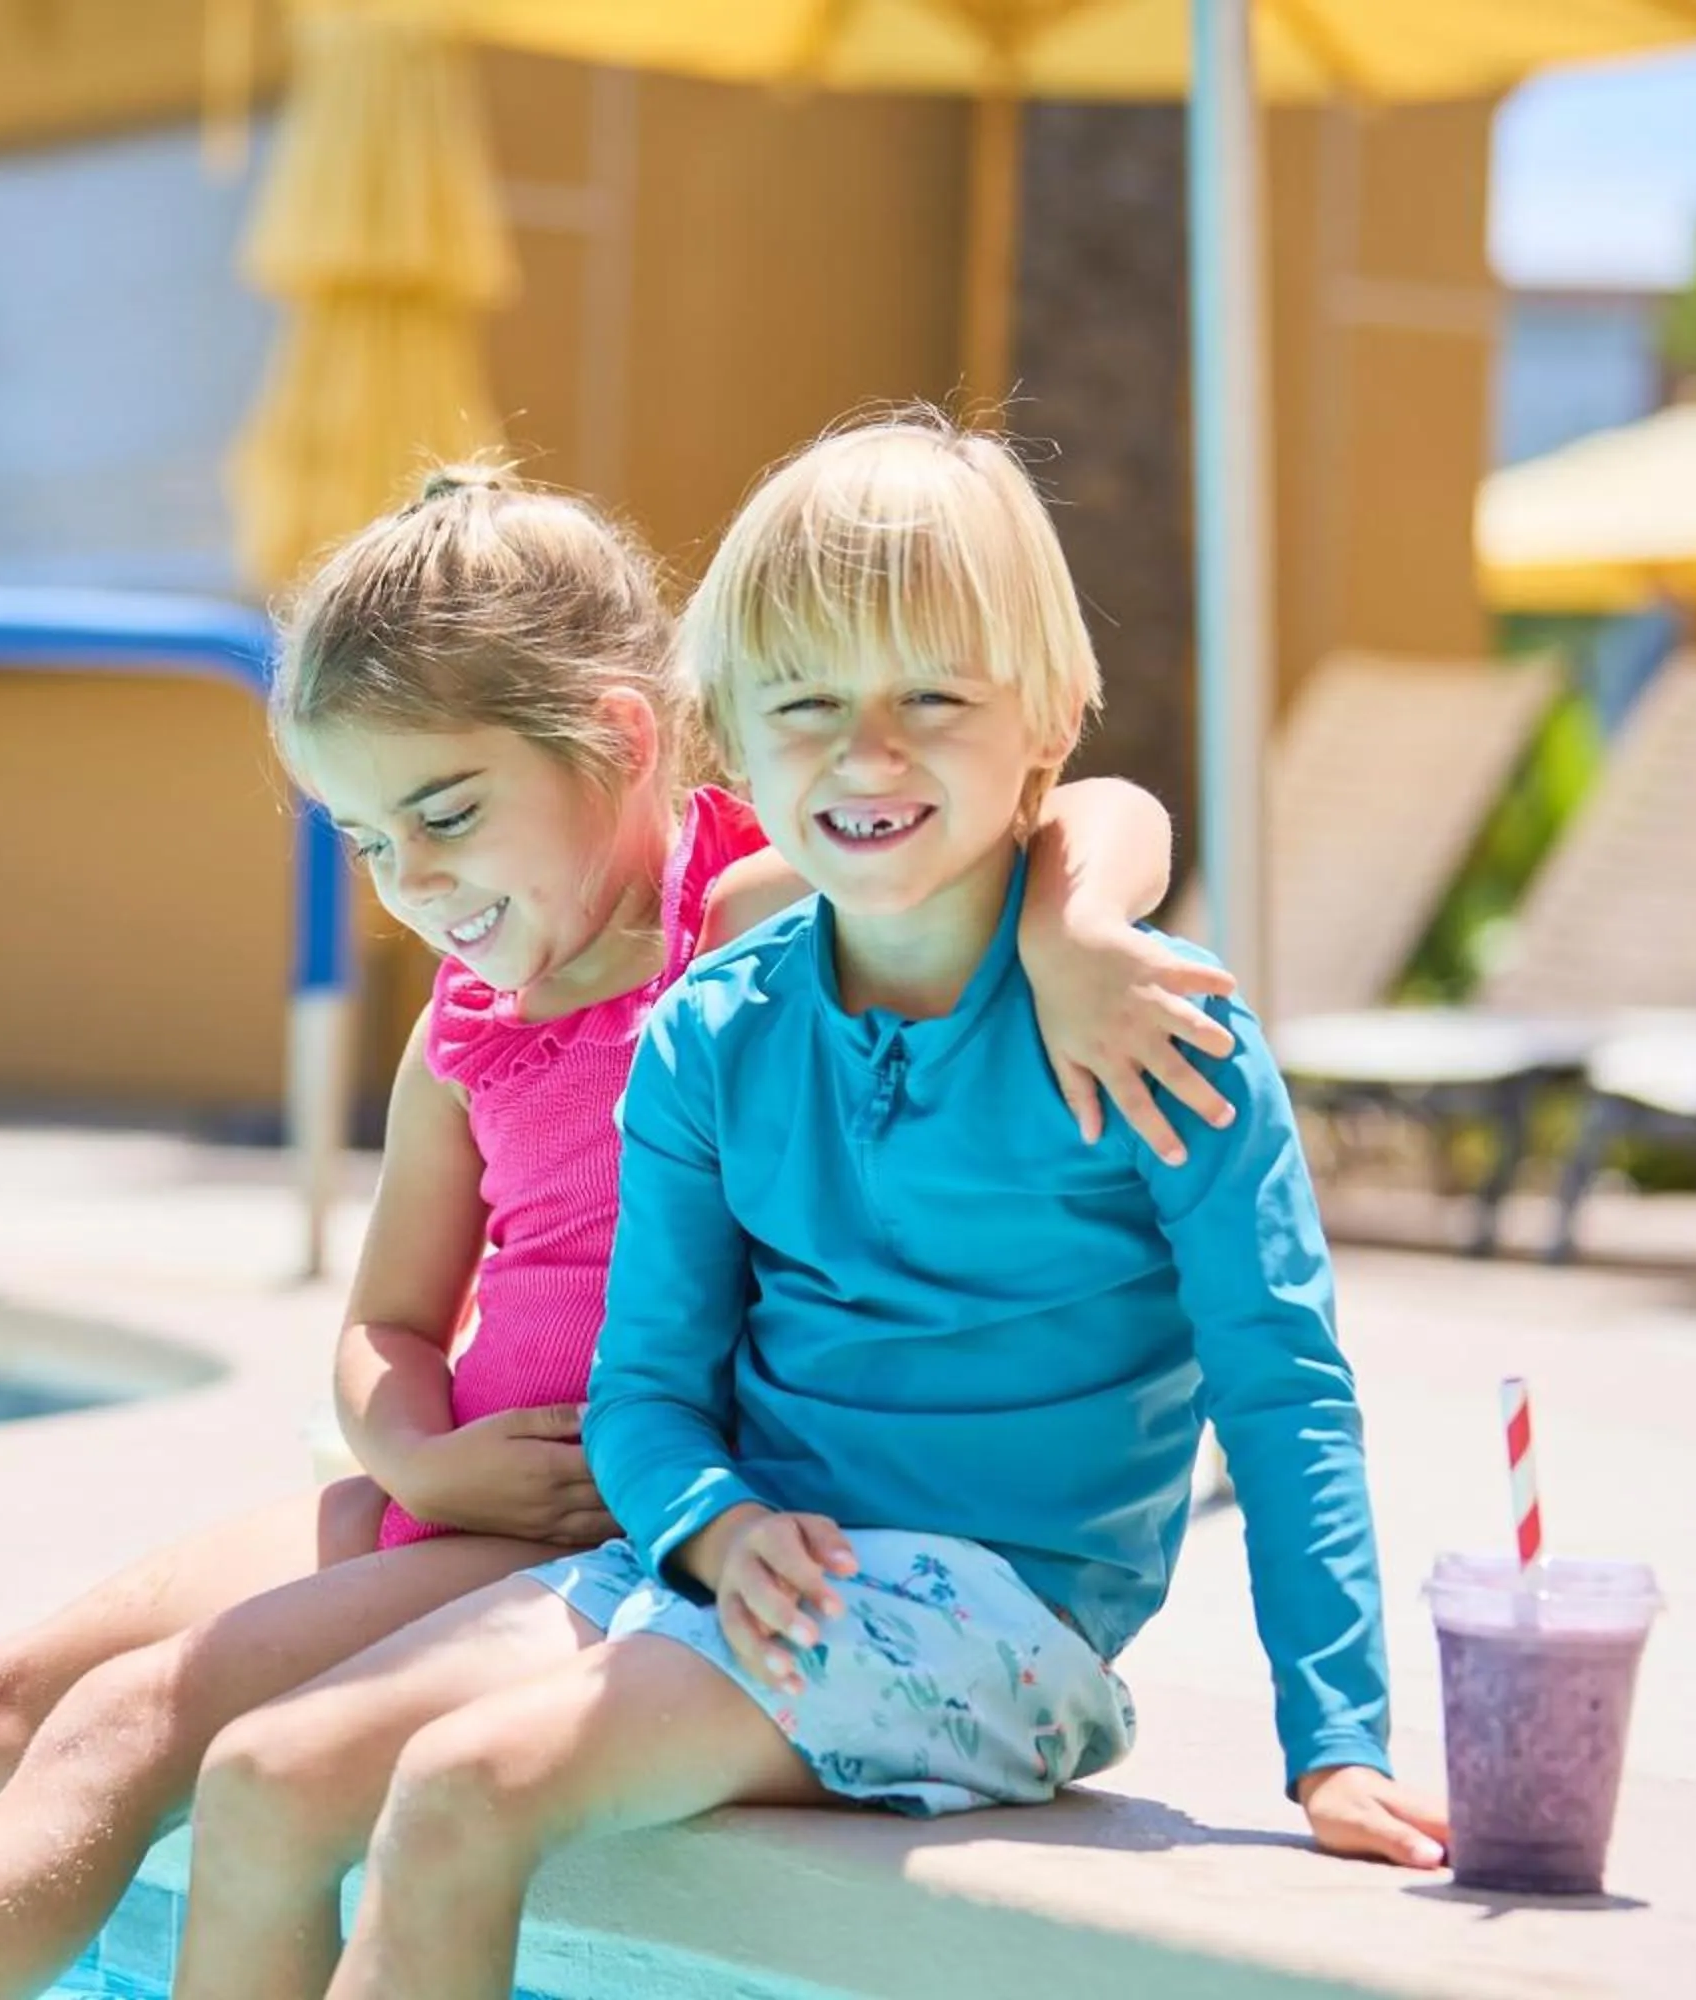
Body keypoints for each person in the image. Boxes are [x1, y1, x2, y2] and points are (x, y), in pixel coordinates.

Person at [0, 462, 1227, 2000]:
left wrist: (1077, 942)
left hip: (589, 1515)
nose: (415, 884)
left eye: (446, 814)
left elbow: (1095, 805)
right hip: (451, 1475)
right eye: (363, 842)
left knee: (124, 1736)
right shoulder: (471, 1022)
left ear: (627, 739)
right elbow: (382, 1320)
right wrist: (409, 1437)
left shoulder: (755, 913)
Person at [166, 418, 1450, 2000]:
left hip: (999, 1618)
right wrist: (713, 1521)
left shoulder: (1155, 1043)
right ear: (734, 741)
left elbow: (1286, 1394)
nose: (869, 756)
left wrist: (1336, 1743)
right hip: (726, 1568)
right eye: (809, 707)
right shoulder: (713, 1034)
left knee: (458, 1795)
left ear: (1045, 716)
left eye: (932, 699)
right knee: (263, 1778)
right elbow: (646, 1389)